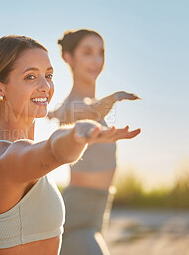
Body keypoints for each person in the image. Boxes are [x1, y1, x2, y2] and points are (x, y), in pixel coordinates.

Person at [0, 35, 140, 255]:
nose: (45, 86)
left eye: (48, 75)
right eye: (30, 76)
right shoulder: (7, 158)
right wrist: (78, 134)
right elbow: (53, 150)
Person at [47, 29, 141, 255]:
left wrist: (51, 114)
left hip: (95, 217)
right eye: (87, 52)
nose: (97, 60)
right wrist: (115, 97)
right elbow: (87, 109)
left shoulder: (66, 107)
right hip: (77, 220)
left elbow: (60, 112)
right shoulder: (75, 107)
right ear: (68, 58)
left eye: (101, 53)